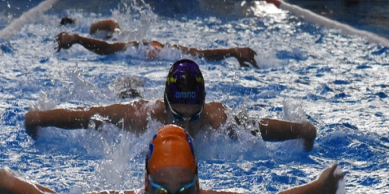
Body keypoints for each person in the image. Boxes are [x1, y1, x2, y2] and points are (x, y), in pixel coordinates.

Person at [0, 124, 344, 194]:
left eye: (184, 193)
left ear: (198, 185)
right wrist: (7, 182)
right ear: (146, 188)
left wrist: (318, 190)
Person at [25, 58, 318, 150]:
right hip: (131, 100)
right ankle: (129, 85)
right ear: (166, 107)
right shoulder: (142, 117)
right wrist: (39, 118)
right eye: (178, 117)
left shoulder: (215, 119)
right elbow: (86, 115)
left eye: (194, 117)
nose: (187, 128)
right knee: (122, 98)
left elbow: (259, 127)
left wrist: (301, 130)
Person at [55, 31, 258, 68]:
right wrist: (77, 38)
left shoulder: (173, 51)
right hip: (118, 38)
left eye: (156, 50)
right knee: (113, 29)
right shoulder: (132, 48)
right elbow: (106, 49)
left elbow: (204, 55)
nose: (152, 54)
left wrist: (233, 51)